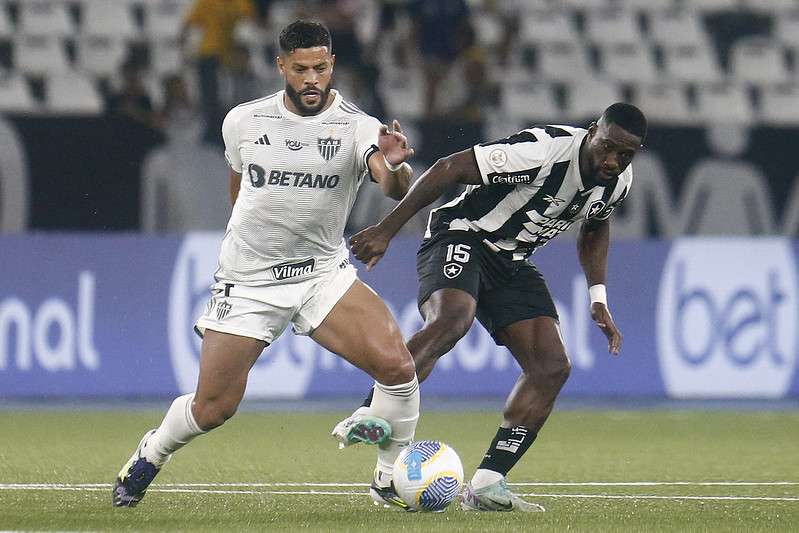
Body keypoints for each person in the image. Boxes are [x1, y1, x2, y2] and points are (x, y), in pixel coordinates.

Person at [113, 20, 420, 508]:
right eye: (301, 69)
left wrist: (398, 167)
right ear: (282, 67)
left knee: (399, 367)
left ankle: (388, 479)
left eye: (321, 68)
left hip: (322, 273)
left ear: (332, 65)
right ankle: (152, 450)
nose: (312, 79)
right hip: (251, 279)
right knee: (214, 408)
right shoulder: (243, 121)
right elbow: (239, 192)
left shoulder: (358, 126)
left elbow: (390, 185)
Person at [333, 102, 647, 512]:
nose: (613, 160)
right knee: (452, 319)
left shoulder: (618, 182)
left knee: (551, 366)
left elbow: (595, 227)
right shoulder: (542, 149)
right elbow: (450, 167)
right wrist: (388, 229)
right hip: (462, 234)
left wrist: (598, 297)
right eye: (608, 147)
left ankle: (487, 484)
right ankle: (368, 411)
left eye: (625, 155)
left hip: (512, 260)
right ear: (593, 131)